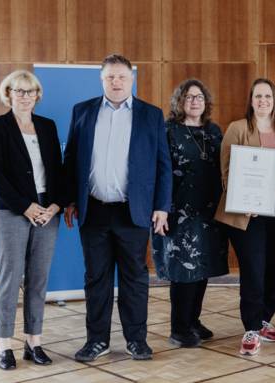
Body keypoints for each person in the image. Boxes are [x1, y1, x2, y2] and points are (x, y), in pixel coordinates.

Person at [63, 54, 171, 362]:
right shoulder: (82, 111)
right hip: (93, 210)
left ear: (131, 79)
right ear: (101, 80)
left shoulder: (151, 115)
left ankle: (136, 340)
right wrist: (70, 198)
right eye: (110, 77)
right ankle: (97, 341)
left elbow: (164, 165)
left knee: (134, 279)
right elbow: (71, 159)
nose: (116, 82)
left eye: (122, 76)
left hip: (133, 211)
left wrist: (162, 206)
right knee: (95, 278)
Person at [0, 70, 63, 370]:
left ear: (37, 96)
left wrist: (55, 205)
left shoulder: (47, 126)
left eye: (30, 92)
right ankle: (5, 345)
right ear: (9, 94)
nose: (25, 96)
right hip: (10, 212)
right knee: (10, 279)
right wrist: (26, 206)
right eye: (19, 91)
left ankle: (34, 342)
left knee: (38, 280)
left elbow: (57, 168)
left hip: (47, 213)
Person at [214, 78, 275, 356]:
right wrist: (241, 199)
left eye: (268, 96)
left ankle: (263, 320)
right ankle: (249, 328)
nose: (263, 101)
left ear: (274, 100)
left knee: (273, 269)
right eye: (258, 96)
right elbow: (225, 172)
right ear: (251, 100)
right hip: (247, 215)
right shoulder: (237, 128)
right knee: (253, 271)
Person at [152, 79, 228, 348]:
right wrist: (160, 208)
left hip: (209, 212)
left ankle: (193, 320)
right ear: (179, 102)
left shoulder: (214, 131)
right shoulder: (168, 130)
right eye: (189, 97)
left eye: (199, 97)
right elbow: (158, 171)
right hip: (178, 211)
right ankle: (179, 327)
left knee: (202, 268)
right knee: (183, 271)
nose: (195, 101)